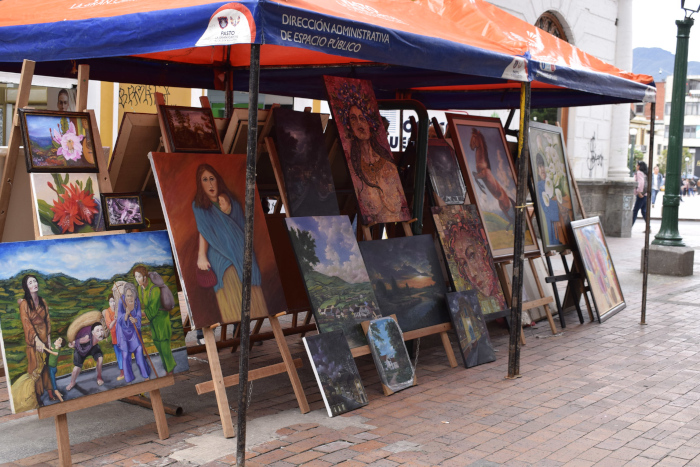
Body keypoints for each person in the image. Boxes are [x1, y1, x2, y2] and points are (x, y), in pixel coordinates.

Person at [193, 164, 268, 323]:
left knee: (252, 295)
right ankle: (238, 328)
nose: (210, 184)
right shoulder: (199, 206)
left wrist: (228, 209)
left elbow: (241, 227)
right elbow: (204, 231)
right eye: (205, 180)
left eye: (212, 178)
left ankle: (248, 330)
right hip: (220, 257)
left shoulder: (231, 200)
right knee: (231, 296)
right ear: (200, 184)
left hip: (241, 253)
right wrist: (201, 255)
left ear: (218, 180)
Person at [133, 265, 176, 375]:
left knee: (164, 346)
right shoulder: (140, 288)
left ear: (145, 277)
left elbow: (152, 310)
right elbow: (143, 305)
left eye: (139, 276)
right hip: (154, 321)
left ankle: (170, 369)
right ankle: (168, 367)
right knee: (157, 343)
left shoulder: (155, 289)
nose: (137, 279)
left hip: (161, 319)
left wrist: (138, 315)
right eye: (135, 277)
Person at [18, 274, 51, 405]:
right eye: (30, 283)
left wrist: (48, 338)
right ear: (26, 287)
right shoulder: (24, 304)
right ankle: (35, 396)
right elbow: (26, 323)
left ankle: (49, 391)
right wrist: (36, 340)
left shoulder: (43, 301)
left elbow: (47, 320)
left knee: (46, 366)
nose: (34, 284)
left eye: (35, 281)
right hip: (33, 341)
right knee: (35, 367)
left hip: (44, 338)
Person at [114, 282, 150, 383]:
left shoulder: (137, 301)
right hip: (124, 333)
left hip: (134, 331)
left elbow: (138, 315)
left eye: (131, 295)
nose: (130, 297)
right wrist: (126, 314)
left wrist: (136, 320)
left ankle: (145, 375)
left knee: (139, 352)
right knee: (125, 356)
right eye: (128, 295)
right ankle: (129, 378)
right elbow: (120, 319)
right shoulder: (122, 301)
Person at [66, 322, 105, 390]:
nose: (100, 333)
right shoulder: (86, 337)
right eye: (98, 331)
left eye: (101, 330)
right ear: (92, 332)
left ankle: (99, 377)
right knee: (76, 368)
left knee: (100, 359)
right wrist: (72, 344)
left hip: (92, 346)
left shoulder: (102, 335)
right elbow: (75, 342)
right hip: (81, 349)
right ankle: (72, 383)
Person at [102, 294, 124, 381]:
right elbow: (110, 326)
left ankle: (127, 371)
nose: (113, 303)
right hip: (115, 336)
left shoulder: (119, 309)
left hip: (123, 335)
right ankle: (122, 372)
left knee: (125, 353)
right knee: (119, 355)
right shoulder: (107, 312)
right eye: (111, 301)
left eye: (114, 301)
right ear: (109, 302)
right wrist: (115, 319)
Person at [44, 337, 63, 401]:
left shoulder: (57, 352)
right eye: (57, 339)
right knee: (53, 381)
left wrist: (44, 348)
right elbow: (51, 347)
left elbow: (50, 351)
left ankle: (61, 400)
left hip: (52, 369)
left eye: (59, 340)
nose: (57, 340)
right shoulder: (54, 347)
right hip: (52, 368)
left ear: (60, 344)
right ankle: (59, 394)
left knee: (54, 386)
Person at [632, 161, 648, 226]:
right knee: (644, 211)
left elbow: (641, 183)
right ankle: (648, 226)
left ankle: (630, 226)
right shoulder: (645, 174)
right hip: (645, 194)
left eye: (637, 165)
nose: (636, 167)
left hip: (641, 194)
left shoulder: (639, 173)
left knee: (635, 211)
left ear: (639, 166)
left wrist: (639, 192)